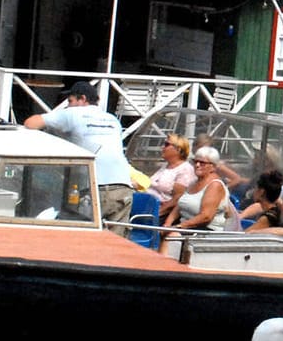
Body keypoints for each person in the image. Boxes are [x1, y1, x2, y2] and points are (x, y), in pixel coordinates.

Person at [25, 81, 135, 234]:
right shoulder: (112, 119)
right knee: (116, 243)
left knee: (82, 237)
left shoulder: (72, 113)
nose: (68, 106)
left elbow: (30, 123)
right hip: (123, 187)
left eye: (70, 101)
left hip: (93, 186)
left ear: (82, 99)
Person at [162, 147, 237, 259]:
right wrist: (168, 223)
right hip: (186, 228)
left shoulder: (215, 185)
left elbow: (206, 217)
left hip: (205, 231)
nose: (197, 165)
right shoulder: (193, 183)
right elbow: (180, 205)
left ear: (213, 166)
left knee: (171, 237)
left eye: (202, 163)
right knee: (164, 230)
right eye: (195, 161)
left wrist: (178, 227)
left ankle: (163, 268)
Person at [146, 135, 197, 215]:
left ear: (178, 149)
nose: (162, 147)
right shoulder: (166, 166)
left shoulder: (185, 169)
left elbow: (178, 198)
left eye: (166, 144)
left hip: (160, 212)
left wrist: (156, 213)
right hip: (148, 206)